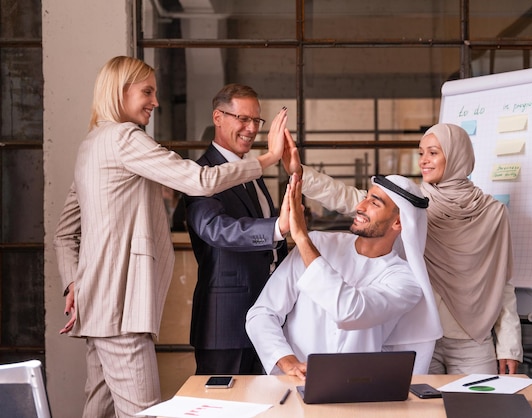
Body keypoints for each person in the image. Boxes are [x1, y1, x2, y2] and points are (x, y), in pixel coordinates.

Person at [53, 56, 287, 418]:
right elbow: (199, 180)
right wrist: (269, 156)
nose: (156, 102)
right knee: (145, 412)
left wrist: (74, 283)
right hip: (121, 309)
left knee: (98, 410)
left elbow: (65, 232)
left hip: (99, 307)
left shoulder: (91, 144)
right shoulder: (124, 137)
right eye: (147, 91)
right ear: (121, 91)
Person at [282, 122, 522, 375]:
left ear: (456, 155)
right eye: (421, 153)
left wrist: (509, 344)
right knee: (422, 412)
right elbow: (348, 197)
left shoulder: (493, 213)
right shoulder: (415, 206)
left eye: (433, 152)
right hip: (419, 333)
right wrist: (299, 173)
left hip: (473, 337)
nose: (424, 161)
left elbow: (502, 281)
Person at [245, 172, 442, 378]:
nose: (360, 207)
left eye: (374, 203)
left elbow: (349, 311)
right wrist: (286, 361)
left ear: (398, 223)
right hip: (291, 385)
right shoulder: (319, 244)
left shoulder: (405, 281)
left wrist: (301, 238)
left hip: (356, 392)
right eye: (366, 197)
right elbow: (262, 313)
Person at [184, 84, 289, 375]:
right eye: (243, 118)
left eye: (256, 120)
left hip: (265, 319)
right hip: (225, 323)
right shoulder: (200, 173)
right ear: (218, 117)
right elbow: (216, 229)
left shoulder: (251, 172)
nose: (251, 128)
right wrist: (278, 227)